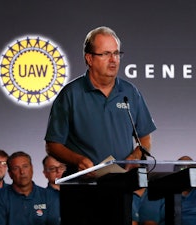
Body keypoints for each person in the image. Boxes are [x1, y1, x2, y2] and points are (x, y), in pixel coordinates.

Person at [44, 26, 157, 175]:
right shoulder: (70, 94)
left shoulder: (130, 92)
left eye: (116, 53)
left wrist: (135, 157)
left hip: (122, 184)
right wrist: (78, 160)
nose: (113, 60)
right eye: (106, 54)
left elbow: (145, 138)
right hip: (83, 185)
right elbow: (53, 145)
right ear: (89, 58)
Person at [0, 151, 60, 225]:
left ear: (32, 169)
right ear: (10, 174)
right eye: (16, 168)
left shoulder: (50, 197)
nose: (22, 172)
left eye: (25, 166)